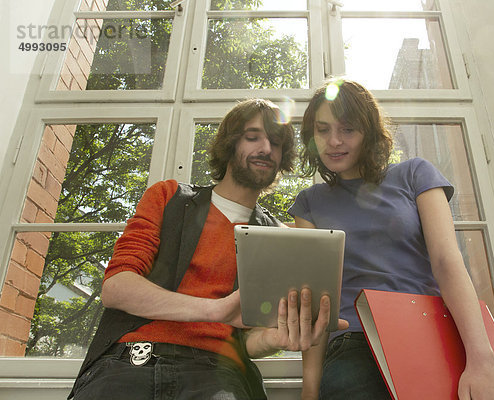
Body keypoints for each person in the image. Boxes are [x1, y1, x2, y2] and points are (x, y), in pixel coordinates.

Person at [69, 98, 347, 400]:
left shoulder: (278, 236)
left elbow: (248, 340)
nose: (266, 149)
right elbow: (117, 287)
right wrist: (215, 310)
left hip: (220, 376)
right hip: (130, 364)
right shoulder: (169, 197)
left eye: (276, 143)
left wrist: (272, 339)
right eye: (252, 137)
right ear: (229, 144)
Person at [288, 80, 494, 400]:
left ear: (369, 132)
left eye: (347, 129)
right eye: (322, 130)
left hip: (429, 334)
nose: (333, 141)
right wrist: (310, 390)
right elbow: (316, 304)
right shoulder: (309, 203)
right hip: (353, 347)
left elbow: (448, 262)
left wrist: (483, 360)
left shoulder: (416, 174)